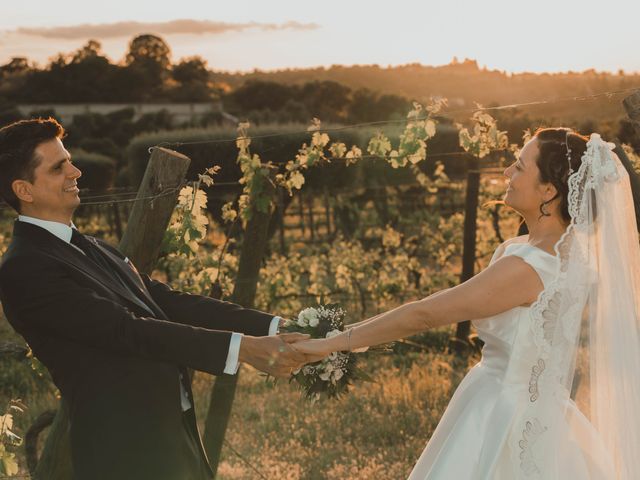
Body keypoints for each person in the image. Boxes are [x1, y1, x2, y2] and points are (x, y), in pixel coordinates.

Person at [293, 128, 640, 479]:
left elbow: (425, 313)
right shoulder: (564, 253)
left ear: (548, 191)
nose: (507, 173)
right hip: (540, 410)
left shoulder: (529, 267)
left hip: (504, 415)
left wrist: (334, 342)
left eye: (519, 167)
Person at [0, 118, 315, 480]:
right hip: (125, 454)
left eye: (69, 159)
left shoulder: (93, 246)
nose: (76, 170)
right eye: (58, 167)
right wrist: (244, 348)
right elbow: (126, 331)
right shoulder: (25, 267)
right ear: (24, 189)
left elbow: (168, 302)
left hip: (172, 435)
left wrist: (278, 325)